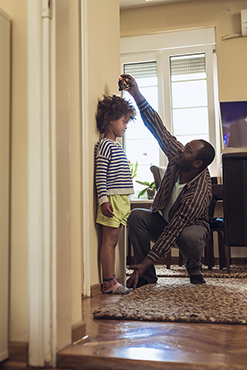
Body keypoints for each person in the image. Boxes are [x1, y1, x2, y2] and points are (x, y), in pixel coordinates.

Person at [121, 74, 216, 289]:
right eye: (184, 146)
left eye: (187, 150)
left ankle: (194, 270)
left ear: (197, 163)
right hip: (163, 222)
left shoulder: (200, 191)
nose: (181, 149)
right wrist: (136, 93)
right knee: (136, 216)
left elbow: (175, 229)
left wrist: (144, 262)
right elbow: (158, 129)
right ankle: (147, 277)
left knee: (190, 236)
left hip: (189, 228)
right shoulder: (178, 156)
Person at [95, 95, 136, 294]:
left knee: (115, 241)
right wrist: (103, 200)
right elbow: (100, 174)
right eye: (124, 121)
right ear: (111, 119)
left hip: (120, 199)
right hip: (111, 199)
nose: (125, 126)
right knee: (109, 241)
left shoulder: (116, 145)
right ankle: (108, 282)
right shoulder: (104, 145)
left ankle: (114, 279)